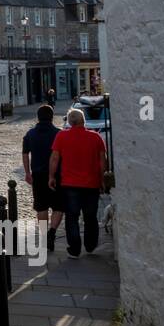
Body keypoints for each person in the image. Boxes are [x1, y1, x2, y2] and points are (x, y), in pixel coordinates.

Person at [48, 108, 109, 257]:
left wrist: (51, 176)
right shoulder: (95, 137)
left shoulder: (62, 136)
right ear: (83, 121)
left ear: (69, 122)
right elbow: (103, 161)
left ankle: (74, 248)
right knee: (90, 216)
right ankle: (90, 245)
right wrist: (102, 180)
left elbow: (54, 158)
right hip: (91, 183)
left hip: (70, 184)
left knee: (72, 216)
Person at [22, 105, 62, 251]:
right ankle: (52, 232)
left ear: (38, 117)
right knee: (58, 206)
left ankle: (45, 235)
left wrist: (27, 172)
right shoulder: (59, 133)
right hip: (56, 175)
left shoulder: (30, 134)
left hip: (38, 175)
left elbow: (25, 154)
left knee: (41, 206)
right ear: (52, 117)